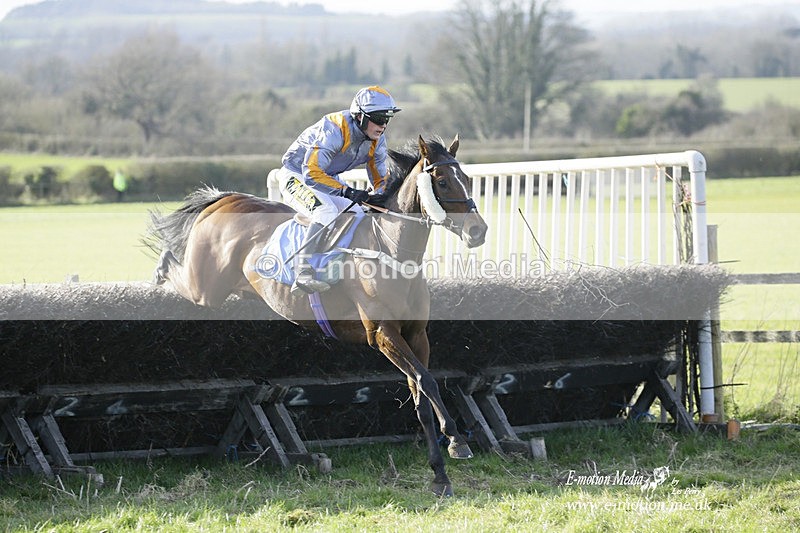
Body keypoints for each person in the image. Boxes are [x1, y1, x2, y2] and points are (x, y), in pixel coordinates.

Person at [276, 85, 401, 295]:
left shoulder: (377, 140)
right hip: (297, 175)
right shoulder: (335, 128)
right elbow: (312, 172)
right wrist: (348, 191)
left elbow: (380, 179)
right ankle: (302, 270)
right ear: (360, 116)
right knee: (325, 212)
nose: (383, 125)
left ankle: (340, 267)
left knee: (359, 213)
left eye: (387, 119)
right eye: (378, 118)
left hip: (328, 177)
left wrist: (380, 197)